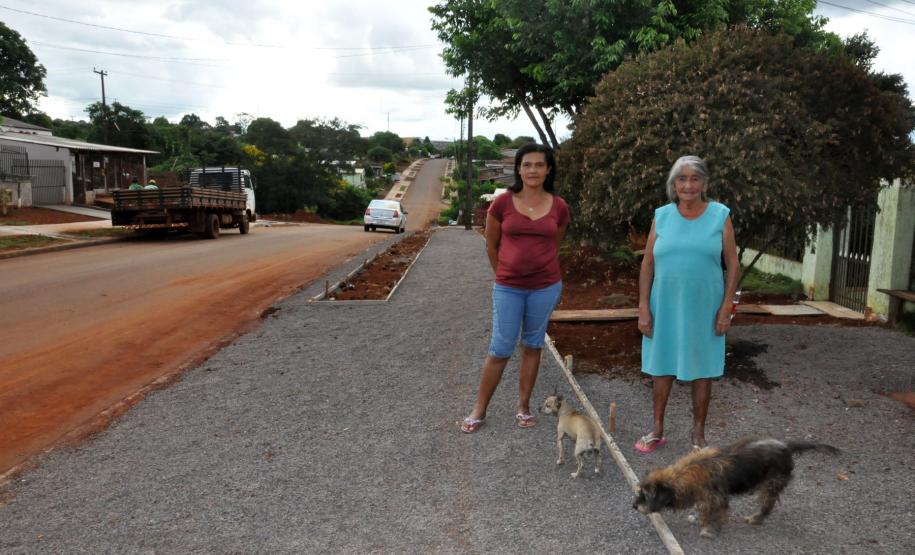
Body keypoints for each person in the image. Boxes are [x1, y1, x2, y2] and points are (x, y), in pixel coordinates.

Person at [461, 143, 570, 433]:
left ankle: (523, 406)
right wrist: (504, 274)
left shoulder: (559, 206)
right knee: (500, 348)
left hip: (545, 287)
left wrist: (538, 269)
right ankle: (479, 408)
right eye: (527, 165)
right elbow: (491, 243)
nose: (532, 170)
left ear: (548, 169)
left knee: (533, 345)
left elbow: (554, 244)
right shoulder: (502, 203)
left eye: (539, 164)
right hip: (509, 287)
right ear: (518, 169)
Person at [635, 155, 739, 452]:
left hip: (706, 306)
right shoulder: (662, 215)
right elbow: (647, 263)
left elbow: (732, 264)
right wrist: (643, 306)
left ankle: (698, 434)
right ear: (673, 184)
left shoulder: (720, 215)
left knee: (703, 366)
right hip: (664, 304)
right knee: (661, 365)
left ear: (704, 183)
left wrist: (726, 306)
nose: (688, 184)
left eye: (695, 178)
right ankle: (657, 429)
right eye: (682, 178)